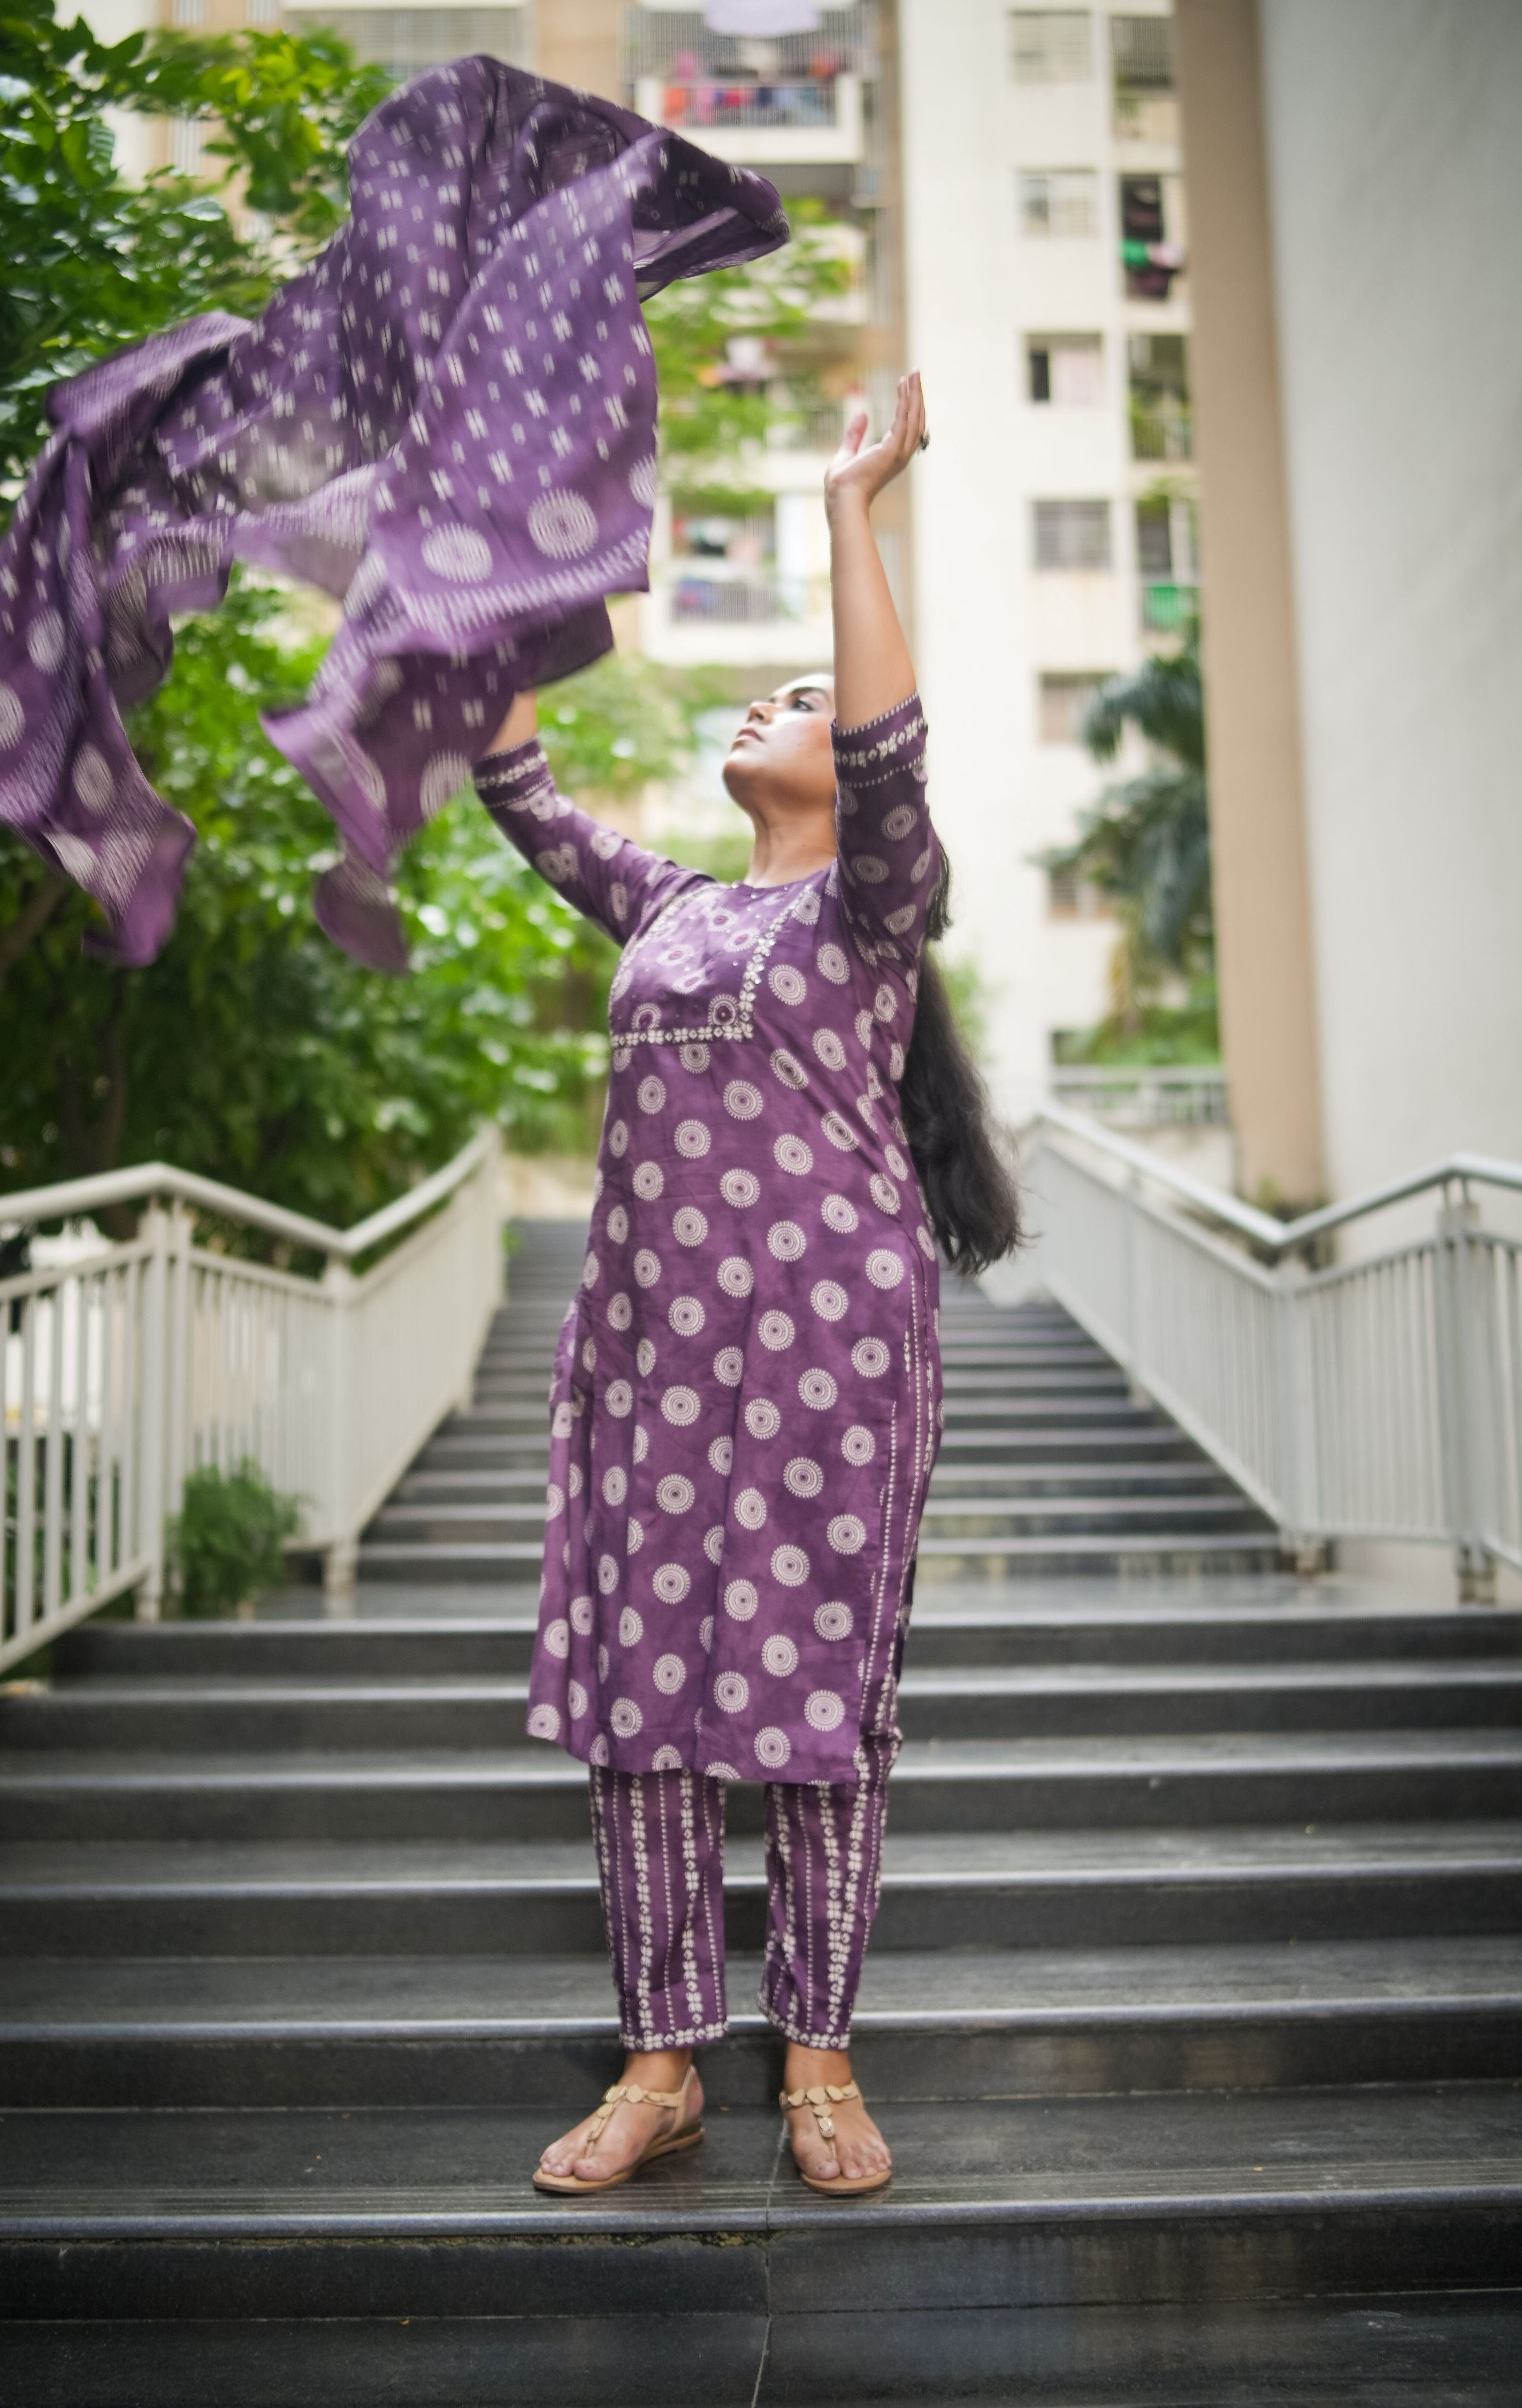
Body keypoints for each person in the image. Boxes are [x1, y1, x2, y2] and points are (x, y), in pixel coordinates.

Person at [472, 374, 1019, 2196]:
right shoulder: (671, 905)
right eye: (763, 691)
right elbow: (518, 785)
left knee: (814, 1713)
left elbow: (881, 750)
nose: (767, 707)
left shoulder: (872, 906)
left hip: (828, 1359)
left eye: (796, 693)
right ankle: (660, 2063)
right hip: (648, 1353)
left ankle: (820, 2063)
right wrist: (499, 567)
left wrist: (850, 507)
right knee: (645, 1706)